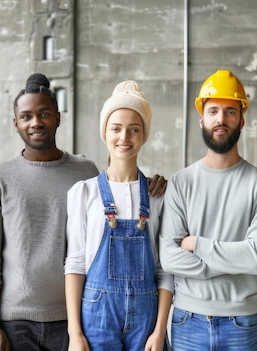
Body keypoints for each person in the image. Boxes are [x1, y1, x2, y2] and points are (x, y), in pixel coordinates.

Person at [0, 73, 166, 351]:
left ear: (58, 118)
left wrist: (149, 186)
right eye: (26, 116)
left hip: (72, 317)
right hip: (15, 320)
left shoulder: (84, 172)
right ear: (16, 123)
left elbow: (118, 186)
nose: (36, 122)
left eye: (44, 114)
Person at [158, 69, 257, 350]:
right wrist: (230, 265)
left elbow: (255, 259)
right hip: (187, 320)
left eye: (230, 112)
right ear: (202, 119)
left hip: (241, 322)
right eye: (213, 111)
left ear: (242, 121)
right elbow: (169, 258)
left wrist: (196, 244)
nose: (221, 119)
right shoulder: (179, 183)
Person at [65, 80, 173, 350]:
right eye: (116, 128)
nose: (124, 137)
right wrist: (75, 334)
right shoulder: (84, 192)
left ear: (143, 135)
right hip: (97, 317)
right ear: (105, 133)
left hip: (146, 320)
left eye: (133, 129)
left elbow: (164, 270)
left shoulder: (158, 196)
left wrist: (160, 331)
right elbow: (75, 264)